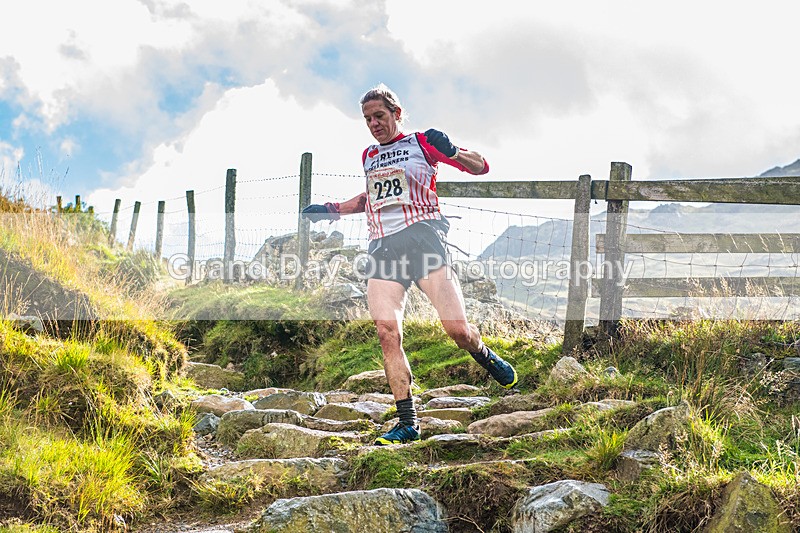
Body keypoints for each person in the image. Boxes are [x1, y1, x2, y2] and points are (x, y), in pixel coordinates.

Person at [302, 84, 517, 445]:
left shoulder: (422, 143)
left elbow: (481, 166)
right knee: (387, 331)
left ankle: (482, 353)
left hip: (423, 239)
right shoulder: (369, 155)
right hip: (383, 247)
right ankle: (407, 422)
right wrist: (332, 210)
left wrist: (453, 150)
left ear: (396, 114)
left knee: (457, 331)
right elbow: (370, 197)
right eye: (368, 119)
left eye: (380, 116)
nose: (374, 124)